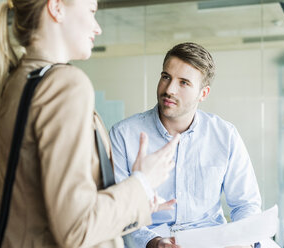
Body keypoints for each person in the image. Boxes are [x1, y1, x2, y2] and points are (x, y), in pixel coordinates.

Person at [0, 0, 180, 247]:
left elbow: (36, 209)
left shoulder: (12, 84)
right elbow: (76, 229)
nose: (98, 28)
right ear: (56, 8)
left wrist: (137, 198)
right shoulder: (64, 85)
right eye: (91, 11)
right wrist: (143, 183)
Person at [110, 42, 262, 248]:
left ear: (203, 93)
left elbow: (246, 204)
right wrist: (152, 242)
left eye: (184, 83)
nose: (169, 89)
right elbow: (116, 210)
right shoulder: (123, 135)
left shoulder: (225, 135)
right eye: (166, 77)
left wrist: (241, 241)